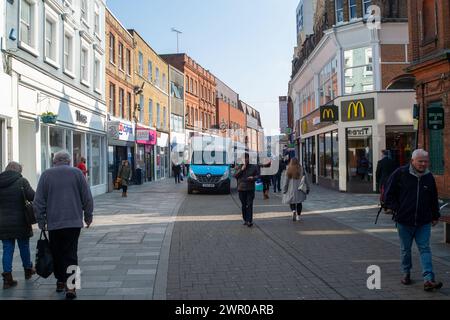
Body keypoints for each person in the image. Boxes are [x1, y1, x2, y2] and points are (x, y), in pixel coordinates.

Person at [34, 151, 93, 299]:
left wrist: (41, 221)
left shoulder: (46, 175)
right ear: (68, 161)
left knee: (56, 252)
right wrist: (88, 215)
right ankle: (71, 287)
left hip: (54, 222)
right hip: (73, 222)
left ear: (55, 161)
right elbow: (87, 197)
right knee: (71, 253)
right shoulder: (77, 173)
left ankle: (60, 281)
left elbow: (38, 201)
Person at [383, 149, 443, 291]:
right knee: (406, 249)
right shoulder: (401, 173)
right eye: (420, 161)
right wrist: (397, 208)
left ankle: (428, 279)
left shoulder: (429, 177)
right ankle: (406, 273)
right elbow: (388, 194)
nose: (423, 164)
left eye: (426, 161)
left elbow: (433, 198)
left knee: (425, 248)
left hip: (423, 221)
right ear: (412, 161)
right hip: (404, 220)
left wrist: (435, 215)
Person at [0, 162, 36, 289]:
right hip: (21, 221)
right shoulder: (22, 181)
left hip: (3, 222)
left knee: (7, 249)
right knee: (24, 246)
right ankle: (28, 270)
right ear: (18, 171)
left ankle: (7, 278)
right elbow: (33, 196)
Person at [234, 153, 260, 227]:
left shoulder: (253, 167)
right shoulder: (238, 166)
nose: (245, 160)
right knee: (244, 205)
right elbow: (235, 176)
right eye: (244, 158)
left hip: (250, 189)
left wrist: (253, 178)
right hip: (241, 189)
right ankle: (245, 219)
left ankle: (249, 221)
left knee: (249, 204)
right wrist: (241, 170)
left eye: (247, 158)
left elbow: (258, 175)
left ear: (249, 159)